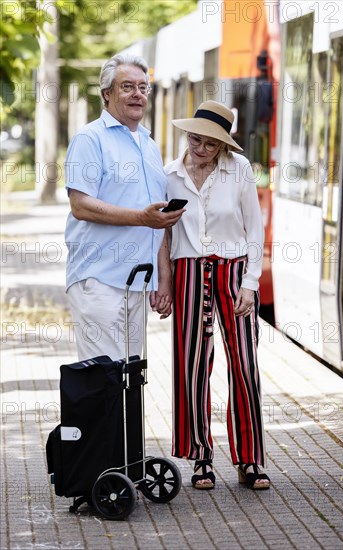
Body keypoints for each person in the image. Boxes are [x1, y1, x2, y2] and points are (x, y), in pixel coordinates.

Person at [164, 100, 270, 490]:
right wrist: (165, 282)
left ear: (224, 145)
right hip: (189, 272)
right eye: (196, 138)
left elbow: (254, 230)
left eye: (211, 143)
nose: (201, 148)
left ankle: (250, 459)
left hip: (234, 271)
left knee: (243, 364)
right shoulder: (170, 175)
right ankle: (200, 457)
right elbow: (164, 234)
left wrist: (251, 282)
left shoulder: (239, 170)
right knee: (192, 368)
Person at [64, 53, 182, 361]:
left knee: (127, 382)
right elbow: (81, 205)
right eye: (127, 86)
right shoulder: (90, 139)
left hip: (137, 283)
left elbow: (158, 220)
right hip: (100, 281)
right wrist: (140, 218)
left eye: (143, 88)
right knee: (104, 382)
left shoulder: (149, 145)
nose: (137, 94)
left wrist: (163, 278)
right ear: (107, 94)